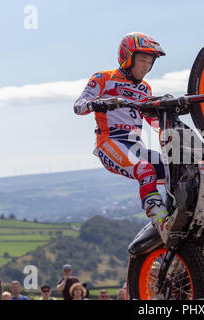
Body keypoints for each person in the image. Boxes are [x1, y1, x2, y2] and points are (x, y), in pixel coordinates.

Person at [73, 32, 172, 243]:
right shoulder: (103, 78)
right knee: (144, 168)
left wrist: (166, 113)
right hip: (110, 143)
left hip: (136, 145)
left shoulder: (145, 88)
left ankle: (181, 214)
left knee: (177, 169)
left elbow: (151, 121)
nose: (146, 67)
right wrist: (95, 104)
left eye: (150, 62)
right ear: (127, 56)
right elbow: (78, 106)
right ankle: (160, 219)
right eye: (142, 60)